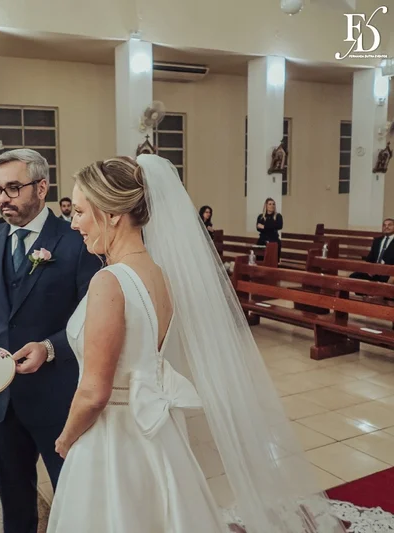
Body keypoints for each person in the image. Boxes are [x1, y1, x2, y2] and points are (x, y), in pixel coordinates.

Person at [47, 155, 344, 533]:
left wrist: (66, 438)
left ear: (112, 214)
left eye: (81, 212)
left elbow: (94, 391)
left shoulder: (109, 282)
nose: (74, 223)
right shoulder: (160, 274)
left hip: (113, 439)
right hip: (157, 436)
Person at [0, 149, 101, 533]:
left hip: (59, 399)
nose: (2, 198)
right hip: (0, 401)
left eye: (13, 188)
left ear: (42, 187)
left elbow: (93, 318)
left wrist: (50, 348)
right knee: (15, 502)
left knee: (74, 499)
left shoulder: (75, 241)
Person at [350, 218, 394, 283]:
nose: (386, 227)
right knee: (354, 276)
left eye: (389, 225)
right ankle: (363, 293)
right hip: (374, 270)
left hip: (388, 273)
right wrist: (369, 269)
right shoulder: (377, 241)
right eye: (384, 225)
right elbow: (370, 258)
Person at [257, 197, 283, 264]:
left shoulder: (278, 216)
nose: (272, 206)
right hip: (262, 240)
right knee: (259, 260)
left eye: (273, 204)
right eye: (270, 204)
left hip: (274, 240)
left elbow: (279, 226)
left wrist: (264, 226)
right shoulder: (261, 216)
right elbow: (258, 228)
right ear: (266, 205)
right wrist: (271, 226)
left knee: (273, 262)